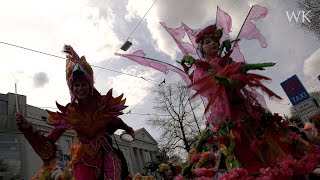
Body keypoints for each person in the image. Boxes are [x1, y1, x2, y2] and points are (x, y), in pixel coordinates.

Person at [118, 6, 320, 179]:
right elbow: (206, 87)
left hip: (247, 112)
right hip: (227, 119)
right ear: (201, 49)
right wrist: (220, 80)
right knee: (244, 154)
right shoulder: (200, 69)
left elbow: (241, 84)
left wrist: (236, 77)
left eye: (216, 40)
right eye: (207, 42)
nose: (213, 43)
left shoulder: (229, 62)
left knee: (272, 149)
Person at [15, 45, 134, 180]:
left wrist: (129, 129)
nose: (80, 88)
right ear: (72, 89)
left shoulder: (103, 106)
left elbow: (116, 121)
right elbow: (48, 143)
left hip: (106, 154)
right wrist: (27, 128)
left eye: (83, 84)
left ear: (90, 86)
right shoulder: (70, 113)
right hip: (83, 159)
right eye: (76, 85)